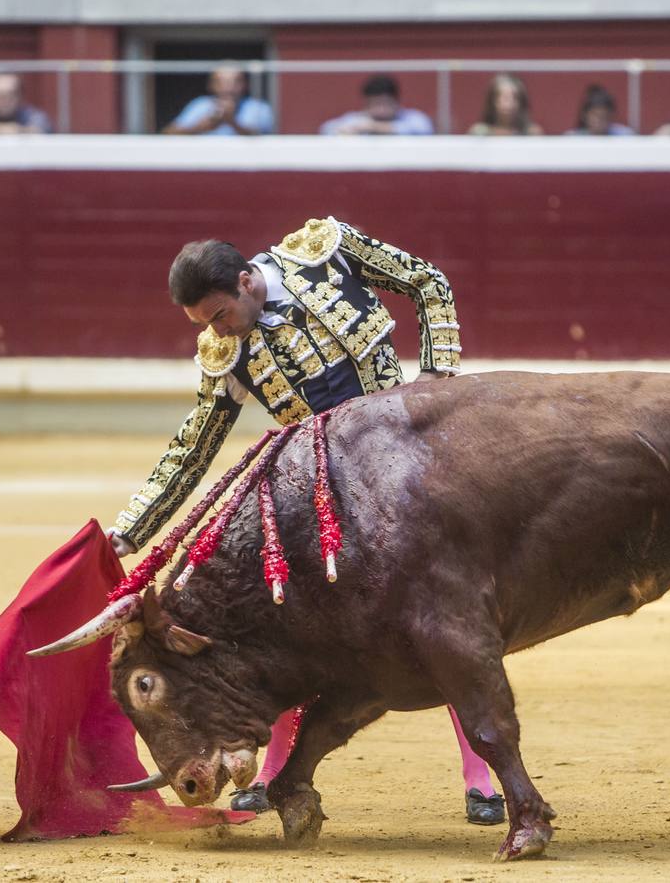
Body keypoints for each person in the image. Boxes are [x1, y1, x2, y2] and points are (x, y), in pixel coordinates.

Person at [107, 217, 503, 826]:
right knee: (289, 628)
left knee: (435, 621)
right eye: (205, 324)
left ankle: (482, 780)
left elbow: (427, 282)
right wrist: (131, 529)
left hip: (404, 472)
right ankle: (269, 775)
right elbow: (196, 444)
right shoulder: (227, 351)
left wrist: (435, 381)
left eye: (219, 315)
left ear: (247, 281)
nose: (216, 332)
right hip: (321, 493)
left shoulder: (324, 251)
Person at [164, 65, 274, 136]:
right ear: (211, 85)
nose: (228, 88)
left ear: (245, 85)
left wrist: (232, 122)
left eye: (235, 82)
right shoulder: (200, 105)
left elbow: (260, 137)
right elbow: (168, 132)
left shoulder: (258, 107)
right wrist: (200, 127)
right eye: (221, 82)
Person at [318, 74, 433, 135]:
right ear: (367, 105)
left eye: (385, 103)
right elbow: (326, 129)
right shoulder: (358, 120)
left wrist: (374, 127)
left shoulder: (412, 118)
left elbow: (424, 128)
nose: (381, 109)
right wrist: (345, 130)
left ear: (396, 102)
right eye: (376, 104)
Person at [468, 73, 543, 136]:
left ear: (521, 102)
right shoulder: (479, 133)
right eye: (503, 97)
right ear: (492, 101)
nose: (508, 103)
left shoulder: (531, 134)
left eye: (514, 97)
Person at [565, 84, 635, 136]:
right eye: (595, 115)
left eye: (605, 116)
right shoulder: (572, 139)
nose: (600, 120)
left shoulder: (625, 136)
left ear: (612, 116)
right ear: (584, 115)